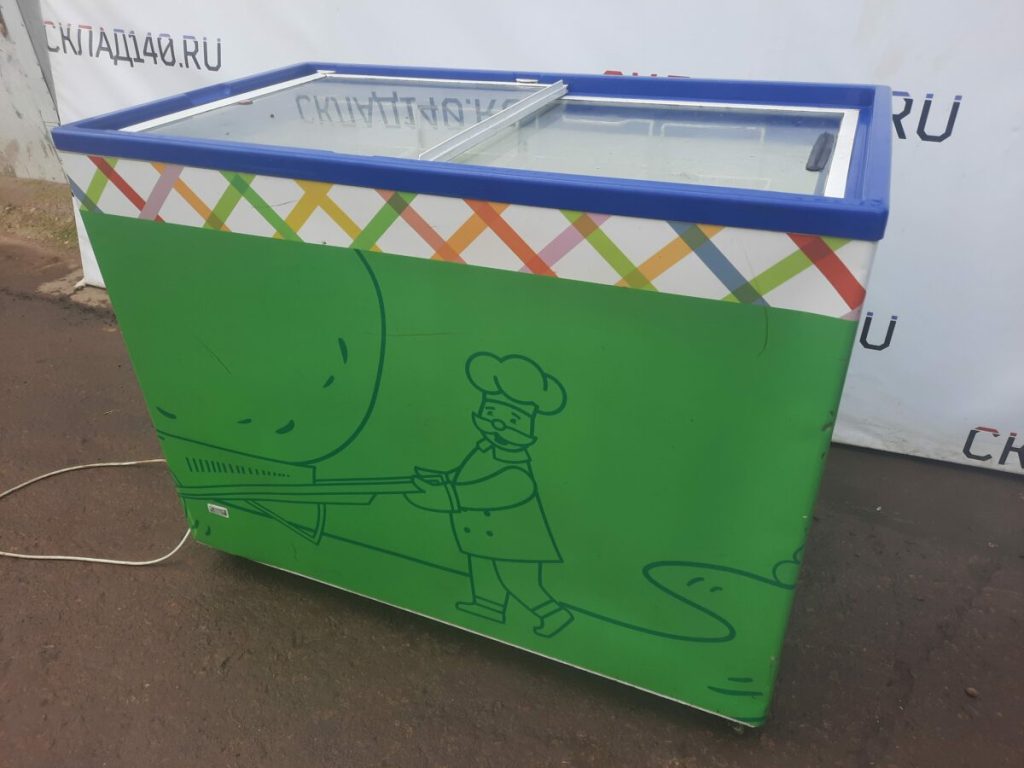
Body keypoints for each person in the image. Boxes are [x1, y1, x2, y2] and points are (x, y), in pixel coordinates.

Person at [405, 352, 572, 638]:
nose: (498, 426)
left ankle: (553, 614)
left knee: (518, 581)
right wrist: (443, 478)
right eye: (491, 414)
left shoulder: (517, 469)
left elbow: (494, 491)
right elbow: (466, 474)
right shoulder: (484, 449)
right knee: (483, 570)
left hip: (514, 541)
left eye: (512, 420)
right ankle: (487, 606)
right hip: (480, 532)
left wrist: (450, 497)